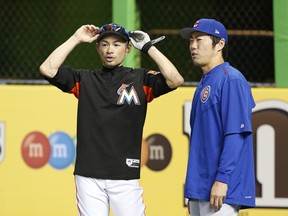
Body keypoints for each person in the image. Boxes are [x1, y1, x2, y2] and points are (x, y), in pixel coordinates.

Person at [39, 23, 184, 216]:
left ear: (128, 48)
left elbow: (175, 80)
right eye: (105, 44)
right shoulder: (84, 80)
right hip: (88, 175)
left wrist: (149, 47)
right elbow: (48, 69)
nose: (110, 50)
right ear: (98, 48)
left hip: (125, 176)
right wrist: (76, 38)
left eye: (117, 44)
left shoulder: (140, 79)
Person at [180, 18, 256, 216]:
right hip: (201, 188)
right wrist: (194, 191)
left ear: (220, 44)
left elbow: (236, 134)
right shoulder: (205, 82)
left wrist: (222, 179)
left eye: (199, 40)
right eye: (191, 41)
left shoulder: (231, 78)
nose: (193, 46)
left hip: (221, 190)